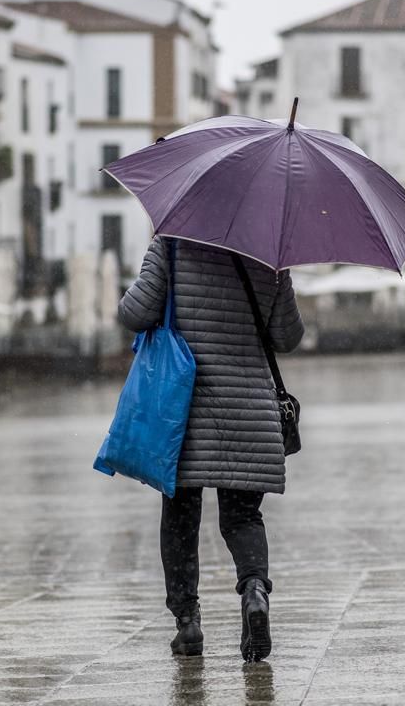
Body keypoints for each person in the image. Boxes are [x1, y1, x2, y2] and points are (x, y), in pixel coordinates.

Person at [118, 237, 304, 662]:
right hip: (248, 410)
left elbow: (135, 313)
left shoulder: (171, 242)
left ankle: (188, 625)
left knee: (181, 516)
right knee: (242, 516)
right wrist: (279, 277)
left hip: (182, 409)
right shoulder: (271, 250)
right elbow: (288, 336)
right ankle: (255, 590)